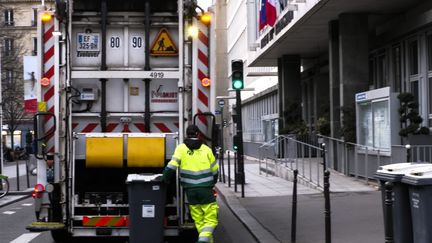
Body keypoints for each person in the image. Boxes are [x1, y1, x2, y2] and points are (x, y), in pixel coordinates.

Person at [162, 124, 219, 243]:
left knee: (198, 218)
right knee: (211, 218)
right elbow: (215, 170)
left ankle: (206, 240)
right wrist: (212, 183)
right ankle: (203, 240)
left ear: (187, 135)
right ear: (198, 134)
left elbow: (171, 166)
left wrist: (164, 179)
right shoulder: (206, 149)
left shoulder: (181, 148)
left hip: (190, 190)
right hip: (205, 189)